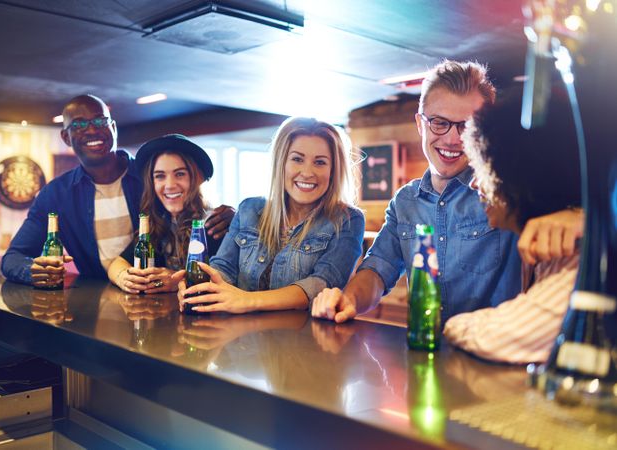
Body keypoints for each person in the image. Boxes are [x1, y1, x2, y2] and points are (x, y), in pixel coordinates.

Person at [311, 60, 521, 324]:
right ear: (421, 124)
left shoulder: (508, 192)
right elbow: (377, 269)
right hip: (423, 352)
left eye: (467, 127)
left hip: (492, 357)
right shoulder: (405, 202)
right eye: (439, 122)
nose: (452, 139)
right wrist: (349, 299)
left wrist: (572, 217)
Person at [1, 94, 233, 289]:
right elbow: (13, 258)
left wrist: (233, 219)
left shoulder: (148, 178)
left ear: (113, 127)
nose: (92, 130)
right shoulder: (57, 194)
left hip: (166, 303)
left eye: (100, 121)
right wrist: (34, 271)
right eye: (80, 125)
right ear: (66, 137)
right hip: (97, 306)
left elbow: (200, 222)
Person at [443, 89, 583, 364]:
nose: (474, 184)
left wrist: (452, 325)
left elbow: (500, 337)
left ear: (517, 175)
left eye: (483, 169)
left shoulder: (575, 261)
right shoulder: (550, 245)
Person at [176, 117, 365, 314]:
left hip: (303, 340)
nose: (307, 172)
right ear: (281, 162)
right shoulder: (249, 208)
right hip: (239, 340)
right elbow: (223, 269)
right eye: (297, 159)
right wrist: (199, 286)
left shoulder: (348, 220)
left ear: (334, 170)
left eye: (320, 162)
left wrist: (246, 300)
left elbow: (320, 285)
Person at [108, 134, 224, 294]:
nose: (169, 185)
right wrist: (124, 278)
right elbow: (117, 263)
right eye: (160, 176)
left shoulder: (216, 224)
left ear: (197, 178)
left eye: (180, 174)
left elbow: (228, 280)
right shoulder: (160, 221)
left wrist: (178, 281)